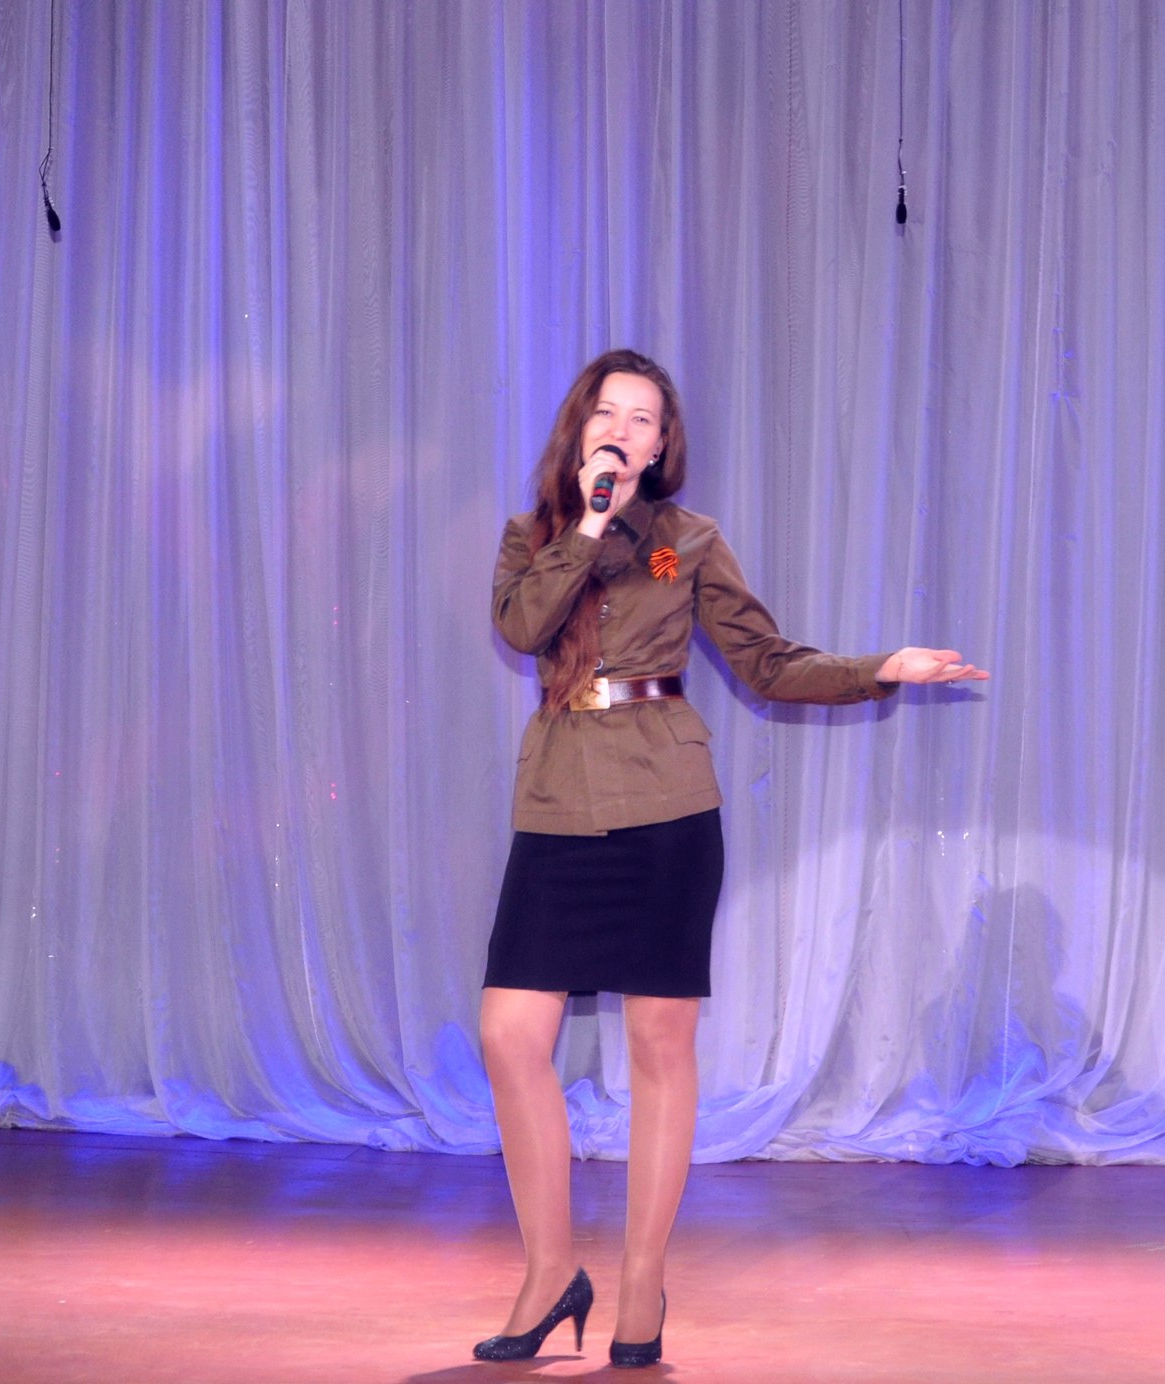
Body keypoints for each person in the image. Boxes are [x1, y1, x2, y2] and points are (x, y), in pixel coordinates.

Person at [475, 349, 987, 1367]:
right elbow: (525, 627)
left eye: (645, 419)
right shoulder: (533, 538)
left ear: (664, 444)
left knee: (661, 1046)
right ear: (580, 427)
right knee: (508, 1034)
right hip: (559, 802)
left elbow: (763, 661)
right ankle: (549, 1271)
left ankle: (641, 1283)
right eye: (609, 413)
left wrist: (879, 667)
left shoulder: (682, 546)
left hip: (666, 804)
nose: (624, 430)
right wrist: (587, 526)